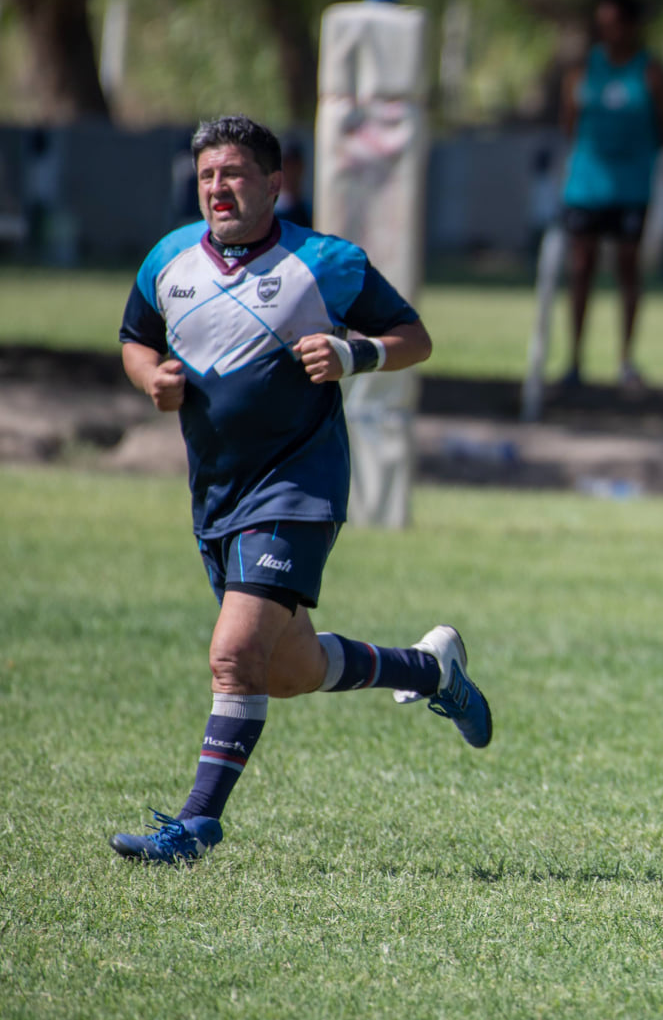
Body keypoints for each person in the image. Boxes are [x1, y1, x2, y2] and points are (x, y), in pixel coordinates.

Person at [110, 115, 492, 863]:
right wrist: (149, 377)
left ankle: (194, 826)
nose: (219, 188)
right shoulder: (169, 259)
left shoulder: (327, 262)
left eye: (235, 174)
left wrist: (357, 353)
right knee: (285, 671)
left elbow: (415, 337)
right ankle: (430, 668)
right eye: (208, 176)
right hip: (216, 490)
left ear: (276, 184)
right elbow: (135, 337)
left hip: (298, 483)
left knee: (233, 655)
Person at [558, 0, 663, 391]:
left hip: (631, 188)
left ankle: (625, 358)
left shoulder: (650, 74)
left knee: (627, 268)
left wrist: (635, 155)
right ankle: (574, 359)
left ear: (631, 26)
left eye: (615, 24)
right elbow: (569, 123)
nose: (607, 32)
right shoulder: (582, 71)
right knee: (581, 268)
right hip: (586, 187)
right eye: (602, 25)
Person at [274, 141, 313, 229]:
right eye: (284, 167)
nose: (289, 173)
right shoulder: (265, 216)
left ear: (301, 168)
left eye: (293, 166)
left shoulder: (310, 213)